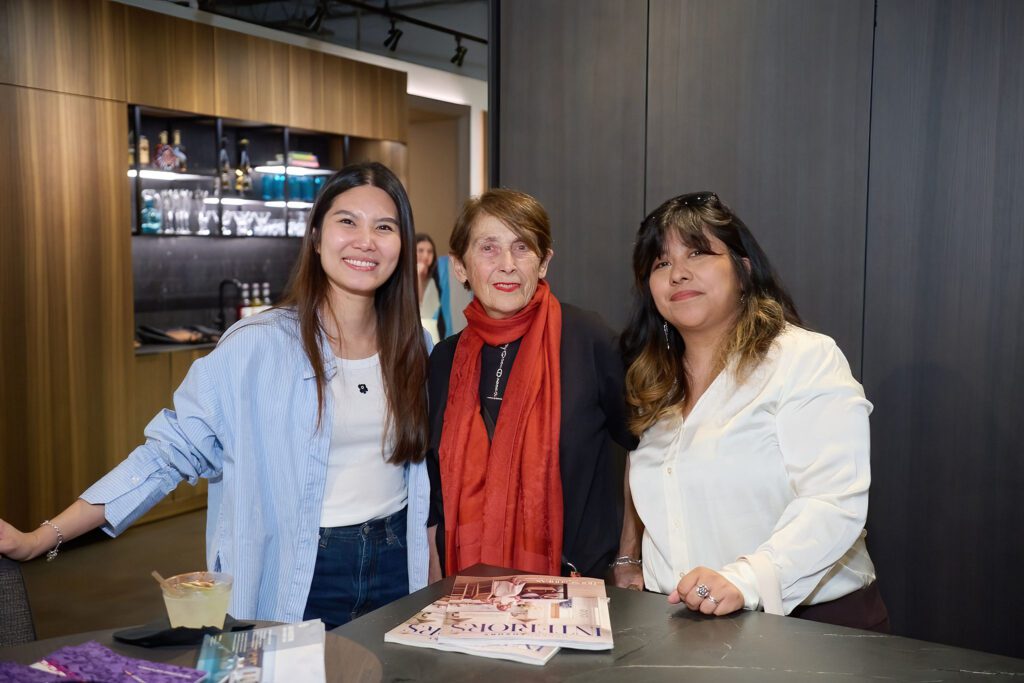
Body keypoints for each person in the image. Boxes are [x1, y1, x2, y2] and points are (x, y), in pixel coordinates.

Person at [0, 162, 431, 629]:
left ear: (402, 243)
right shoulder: (256, 346)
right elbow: (167, 455)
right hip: (301, 572)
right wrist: (42, 537)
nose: (365, 240)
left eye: (384, 227)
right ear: (315, 236)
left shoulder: (416, 347)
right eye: (347, 221)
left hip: (397, 563)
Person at [620, 191, 888, 631]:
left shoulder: (802, 359)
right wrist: (629, 559)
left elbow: (834, 501)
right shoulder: (652, 384)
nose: (678, 273)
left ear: (743, 270)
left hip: (811, 629)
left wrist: (744, 580)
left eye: (698, 253)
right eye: (661, 263)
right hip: (679, 625)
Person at [425, 188, 638, 582]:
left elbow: (646, 446)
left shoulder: (586, 338)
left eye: (522, 247)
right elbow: (435, 488)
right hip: (466, 588)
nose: (507, 265)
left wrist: (629, 556)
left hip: (575, 585)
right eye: (488, 248)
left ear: (543, 262)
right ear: (460, 266)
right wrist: (434, 572)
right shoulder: (444, 360)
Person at [416, 232, 446, 343]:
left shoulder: (436, 278)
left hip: (433, 332)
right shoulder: (403, 278)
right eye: (420, 250)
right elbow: (417, 304)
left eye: (429, 251)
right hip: (414, 332)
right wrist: (418, 276)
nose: (425, 256)